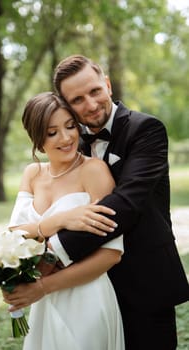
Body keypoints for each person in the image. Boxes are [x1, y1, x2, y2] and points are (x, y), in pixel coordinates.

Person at [48, 55, 189, 350]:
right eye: (77, 99)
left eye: (95, 91)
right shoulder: (73, 144)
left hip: (147, 279)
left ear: (108, 86)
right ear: (67, 107)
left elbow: (125, 204)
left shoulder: (146, 130)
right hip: (94, 287)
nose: (90, 104)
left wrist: (54, 253)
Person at [3, 92, 125, 350]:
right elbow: (14, 237)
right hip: (44, 304)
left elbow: (111, 254)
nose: (67, 138)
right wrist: (60, 220)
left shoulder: (94, 170)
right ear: (37, 138)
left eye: (70, 126)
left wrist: (44, 287)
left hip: (87, 298)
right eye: (52, 132)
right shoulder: (33, 173)